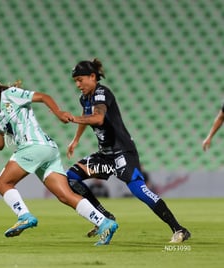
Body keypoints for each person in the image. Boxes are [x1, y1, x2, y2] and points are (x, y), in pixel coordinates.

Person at [0, 70, 118, 246]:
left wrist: (59, 113)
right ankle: (104, 222)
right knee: (66, 196)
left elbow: (43, 97)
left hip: (33, 146)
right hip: (46, 150)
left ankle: (24, 216)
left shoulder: (10, 94)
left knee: (2, 183)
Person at [65, 58, 191, 243]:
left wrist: (72, 118)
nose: (78, 84)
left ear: (92, 76)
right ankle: (104, 216)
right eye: (75, 81)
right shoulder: (84, 98)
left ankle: (179, 229)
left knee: (139, 191)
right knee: (72, 177)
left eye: (80, 80)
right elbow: (87, 116)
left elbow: (98, 118)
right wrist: (75, 140)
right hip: (105, 155)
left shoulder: (102, 92)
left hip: (122, 152)